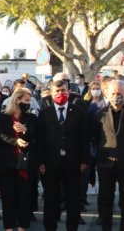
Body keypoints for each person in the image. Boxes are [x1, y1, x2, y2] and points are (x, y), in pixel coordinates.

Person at [37, 80, 89, 231]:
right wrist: (41, 161)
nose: (61, 93)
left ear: (69, 92)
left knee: (73, 200)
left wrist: (84, 160)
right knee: (51, 199)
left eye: (63, 90)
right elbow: (40, 139)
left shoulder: (79, 111)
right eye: (57, 91)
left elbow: (85, 138)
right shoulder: (45, 113)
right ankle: (50, 227)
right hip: (51, 164)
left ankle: (72, 228)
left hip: (73, 163)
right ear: (51, 94)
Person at [0, 88, 37, 231]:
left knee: (25, 198)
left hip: (25, 163)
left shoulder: (31, 117)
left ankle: (22, 226)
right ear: (17, 100)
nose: (28, 103)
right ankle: (9, 227)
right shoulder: (2, 116)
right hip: (7, 163)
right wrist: (15, 141)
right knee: (8, 199)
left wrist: (25, 131)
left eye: (29, 101)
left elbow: (36, 136)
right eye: (26, 100)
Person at [94, 80, 124, 231]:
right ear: (107, 94)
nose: (116, 96)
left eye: (119, 93)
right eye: (113, 93)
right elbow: (95, 138)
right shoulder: (100, 114)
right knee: (106, 199)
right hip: (106, 163)